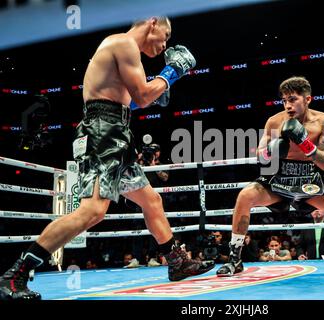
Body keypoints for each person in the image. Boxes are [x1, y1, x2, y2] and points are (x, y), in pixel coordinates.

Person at [0, 16, 214, 300]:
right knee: (93, 211)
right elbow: (144, 95)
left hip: (116, 130)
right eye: (166, 34)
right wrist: (172, 71)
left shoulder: (126, 51)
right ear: (152, 22)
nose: (166, 44)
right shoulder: (123, 43)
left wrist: (160, 85)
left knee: (151, 200)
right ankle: (14, 274)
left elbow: (133, 100)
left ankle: (178, 263)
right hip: (104, 132)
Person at [217, 76, 324, 277]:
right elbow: (260, 157)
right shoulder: (274, 121)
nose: (287, 105)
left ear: (308, 99)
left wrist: (304, 143)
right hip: (279, 178)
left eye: (293, 99)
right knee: (245, 196)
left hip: (309, 181)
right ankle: (235, 260)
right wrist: (271, 150)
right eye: (284, 100)